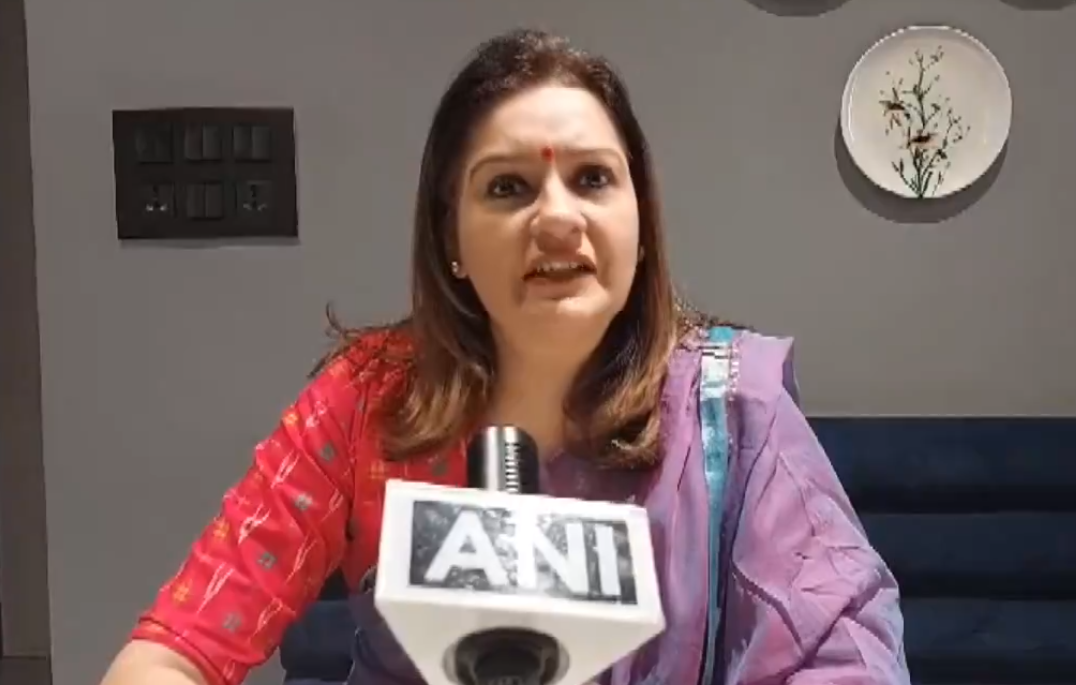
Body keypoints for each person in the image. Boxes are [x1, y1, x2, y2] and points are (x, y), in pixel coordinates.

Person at [99, 28, 909, 685]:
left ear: (640, 223)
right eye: (507, 188)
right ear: (450, 236)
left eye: (592, 179)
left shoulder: (735, 414)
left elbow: (841, 654)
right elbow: (177, 649)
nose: (557, 219)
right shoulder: (368, 405)